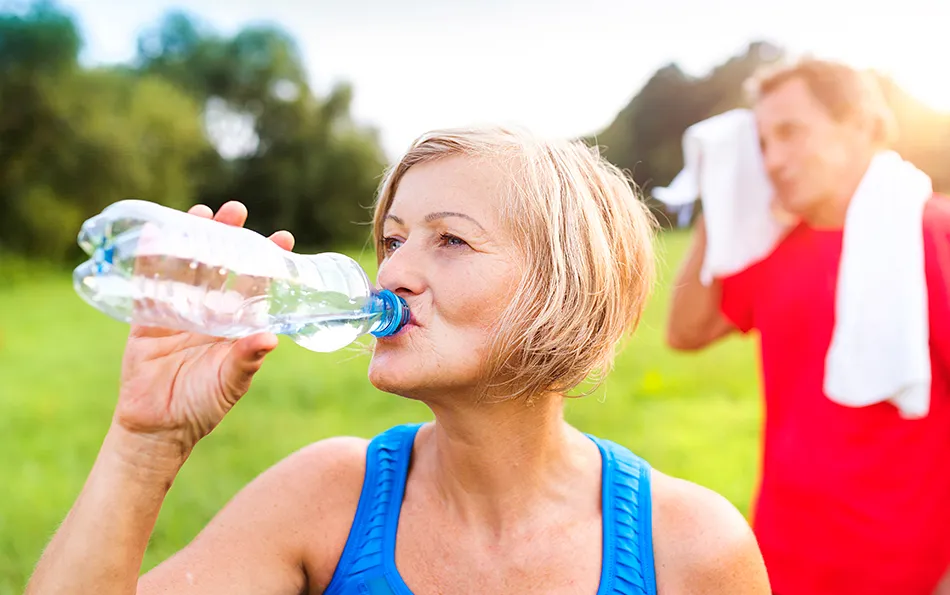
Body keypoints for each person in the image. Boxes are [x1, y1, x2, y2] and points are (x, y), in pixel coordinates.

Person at [26, 127, 770, 594]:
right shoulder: (326, 498)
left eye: (449, 239)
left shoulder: (691, 548)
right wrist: (143, 443)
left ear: (565, 286)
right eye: (392, 239)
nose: (390, 274)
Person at [666, 58, 950, 595]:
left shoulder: (933, 234)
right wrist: (721, 201)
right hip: (778, 556)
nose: (772, 160)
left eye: (791, 133)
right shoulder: (776, 250)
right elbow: (685, 332)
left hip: (906, 568)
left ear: (861, 124)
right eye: (763, 142)